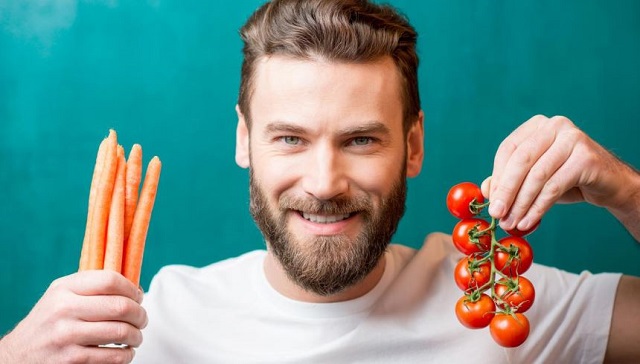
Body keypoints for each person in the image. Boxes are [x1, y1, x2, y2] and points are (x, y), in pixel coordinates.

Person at [1, 0, 639, 362]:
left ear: (412, 145)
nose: (325, 181)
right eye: (290, 138)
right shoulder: (150, 322)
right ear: (244, 141)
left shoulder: (502, 299)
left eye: (360, 139)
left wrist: (626, 191)